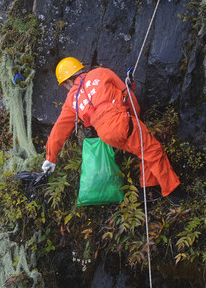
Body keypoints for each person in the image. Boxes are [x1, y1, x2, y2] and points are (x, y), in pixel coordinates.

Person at [42, 57, 182, 199]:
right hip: (121, 122)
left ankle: (149, 192)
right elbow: (127, 94)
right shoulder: (101, 72)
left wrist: (50, 158)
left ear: (69, 81)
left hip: (105, 134)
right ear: (80, 69)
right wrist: (135, 118)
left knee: (143, 150)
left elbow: (59, 129)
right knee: (152, 151)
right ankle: (174, 193)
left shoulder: (71, 100)